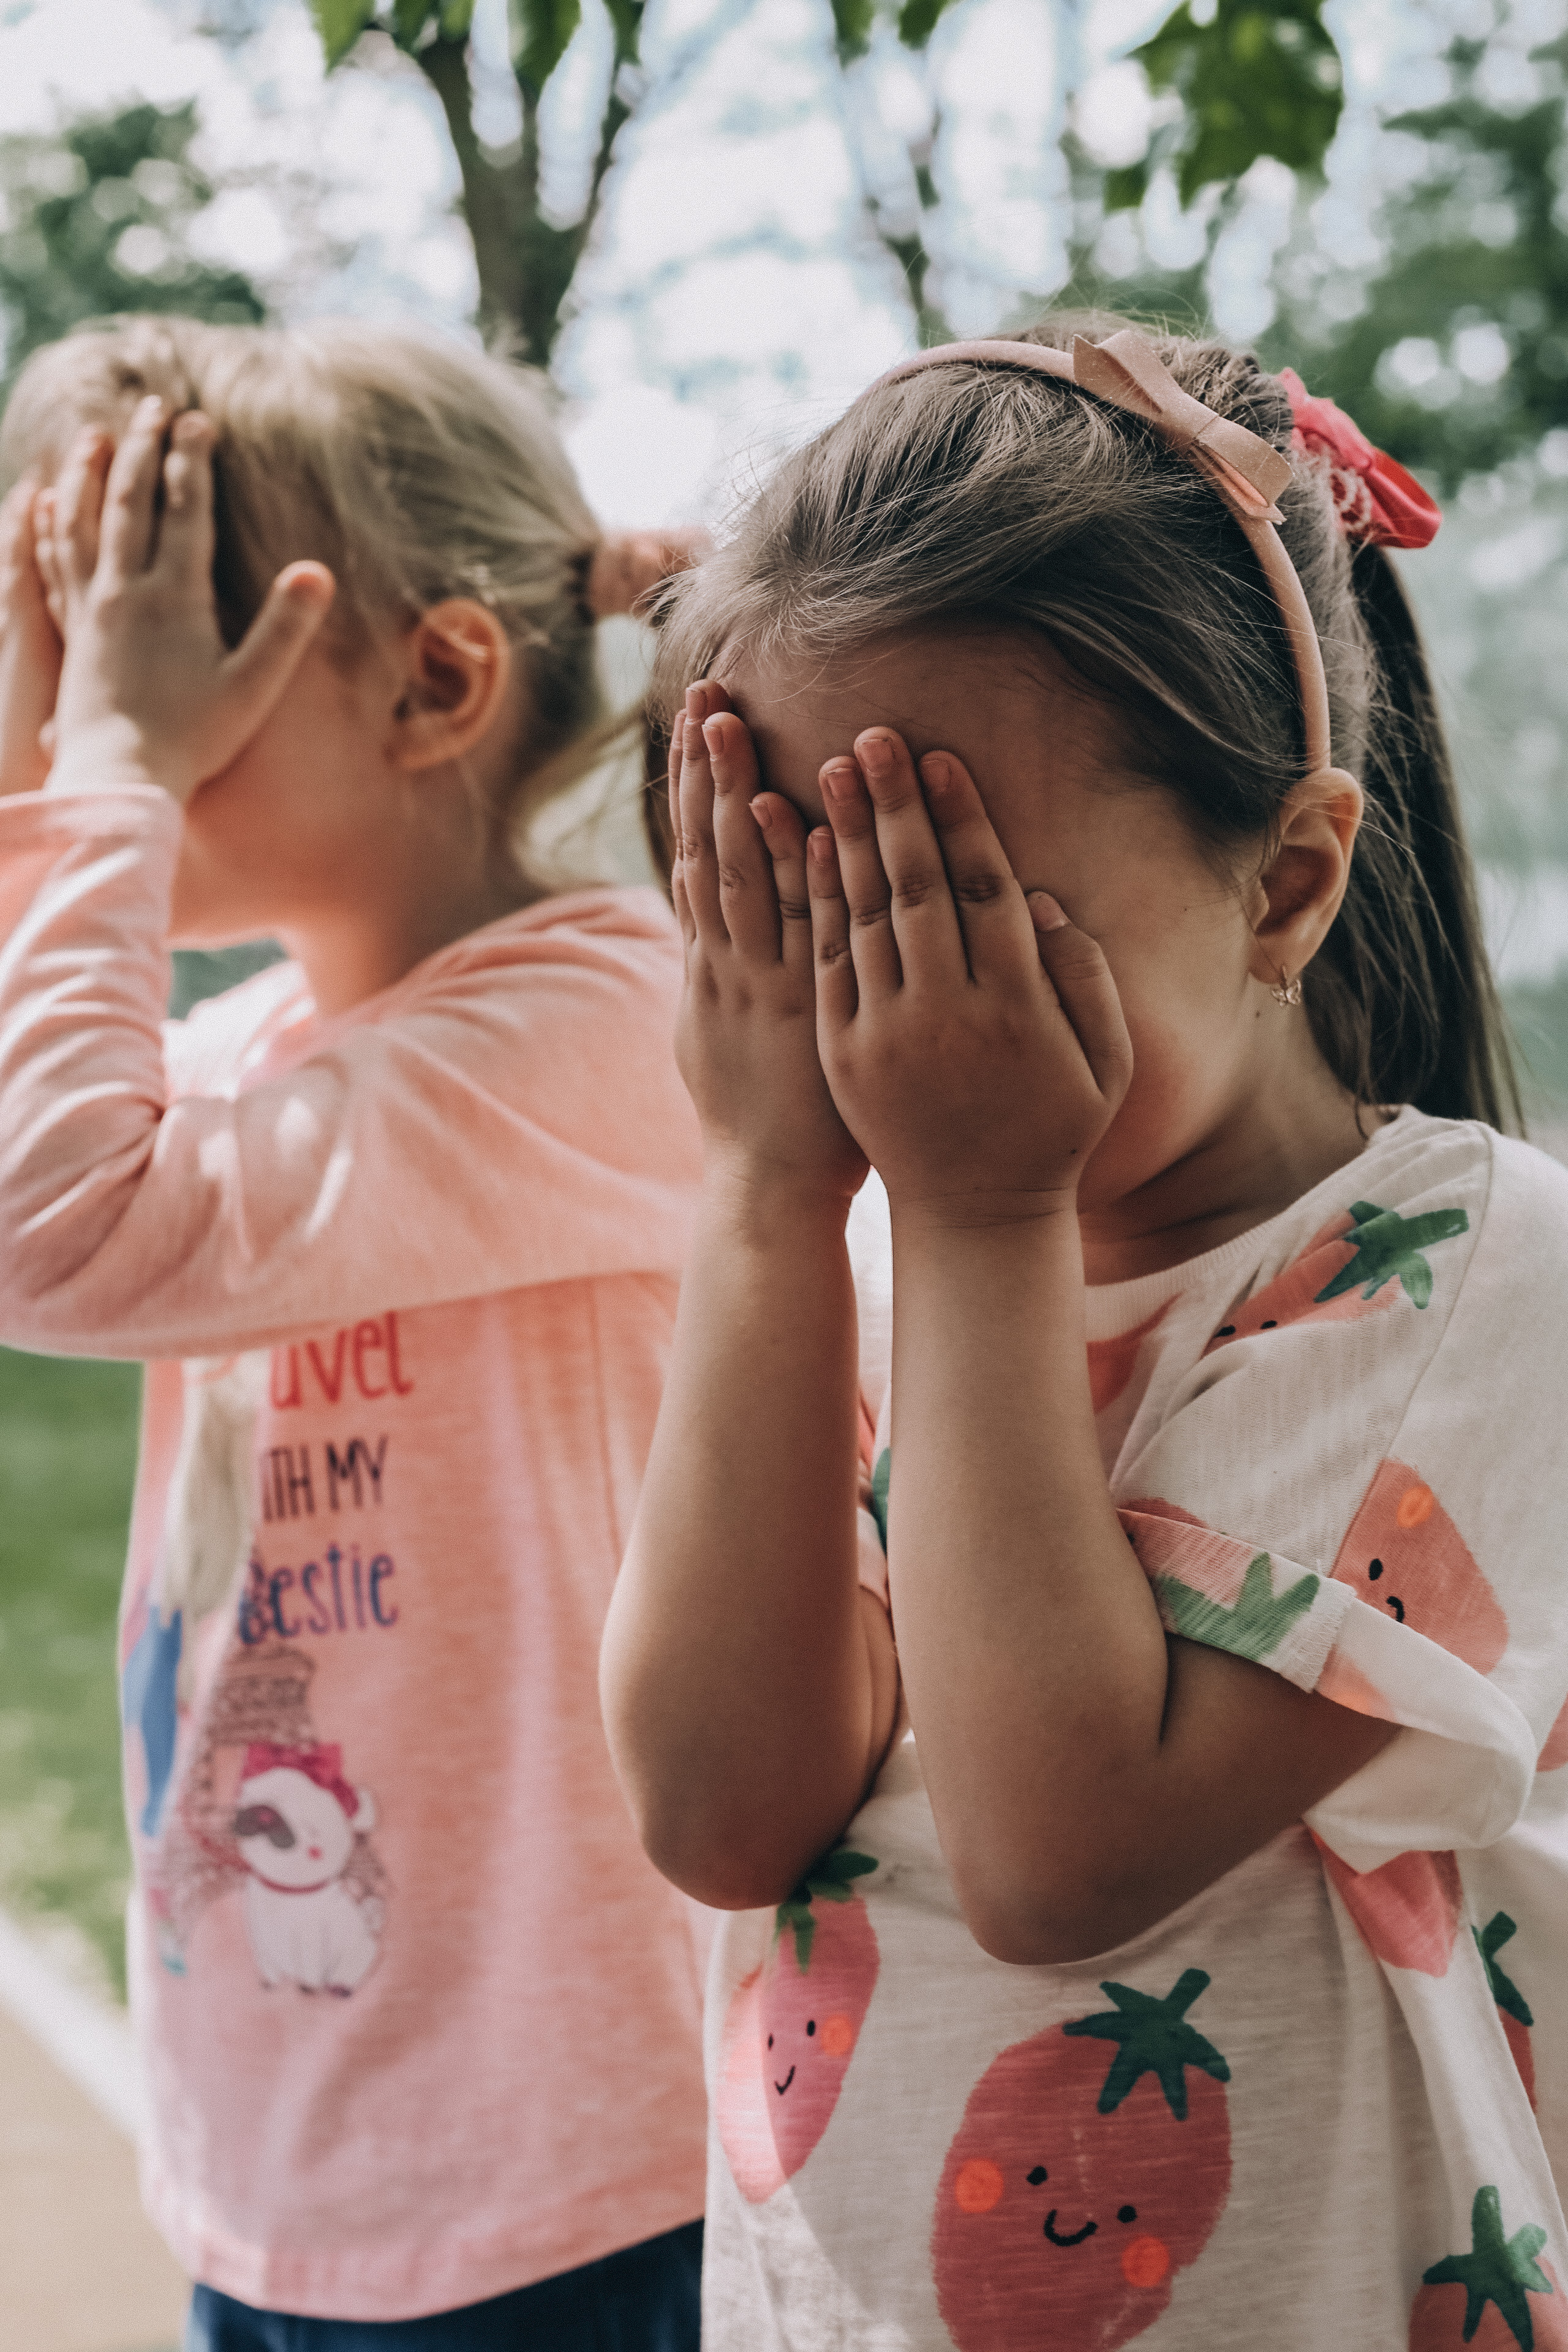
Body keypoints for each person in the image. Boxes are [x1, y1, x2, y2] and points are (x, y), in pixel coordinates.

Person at [600, 314, 1568, 2350]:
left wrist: (972, 1210)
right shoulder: (843, 1263)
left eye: (972, 936)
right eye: (809, 926)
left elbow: (1059, 1855)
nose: (887, 1041)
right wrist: (772, 1199)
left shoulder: (1458, 1270)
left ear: (1285, 886)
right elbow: (715, 1808)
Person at [0, 317, 709, 2348]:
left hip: (564, 2176)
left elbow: (48, 1228)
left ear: (433, 680)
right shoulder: (245, 1055)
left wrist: (102, 785)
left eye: (154, 626)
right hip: (300, 2140)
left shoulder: (597, 1025)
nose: (84, 709)